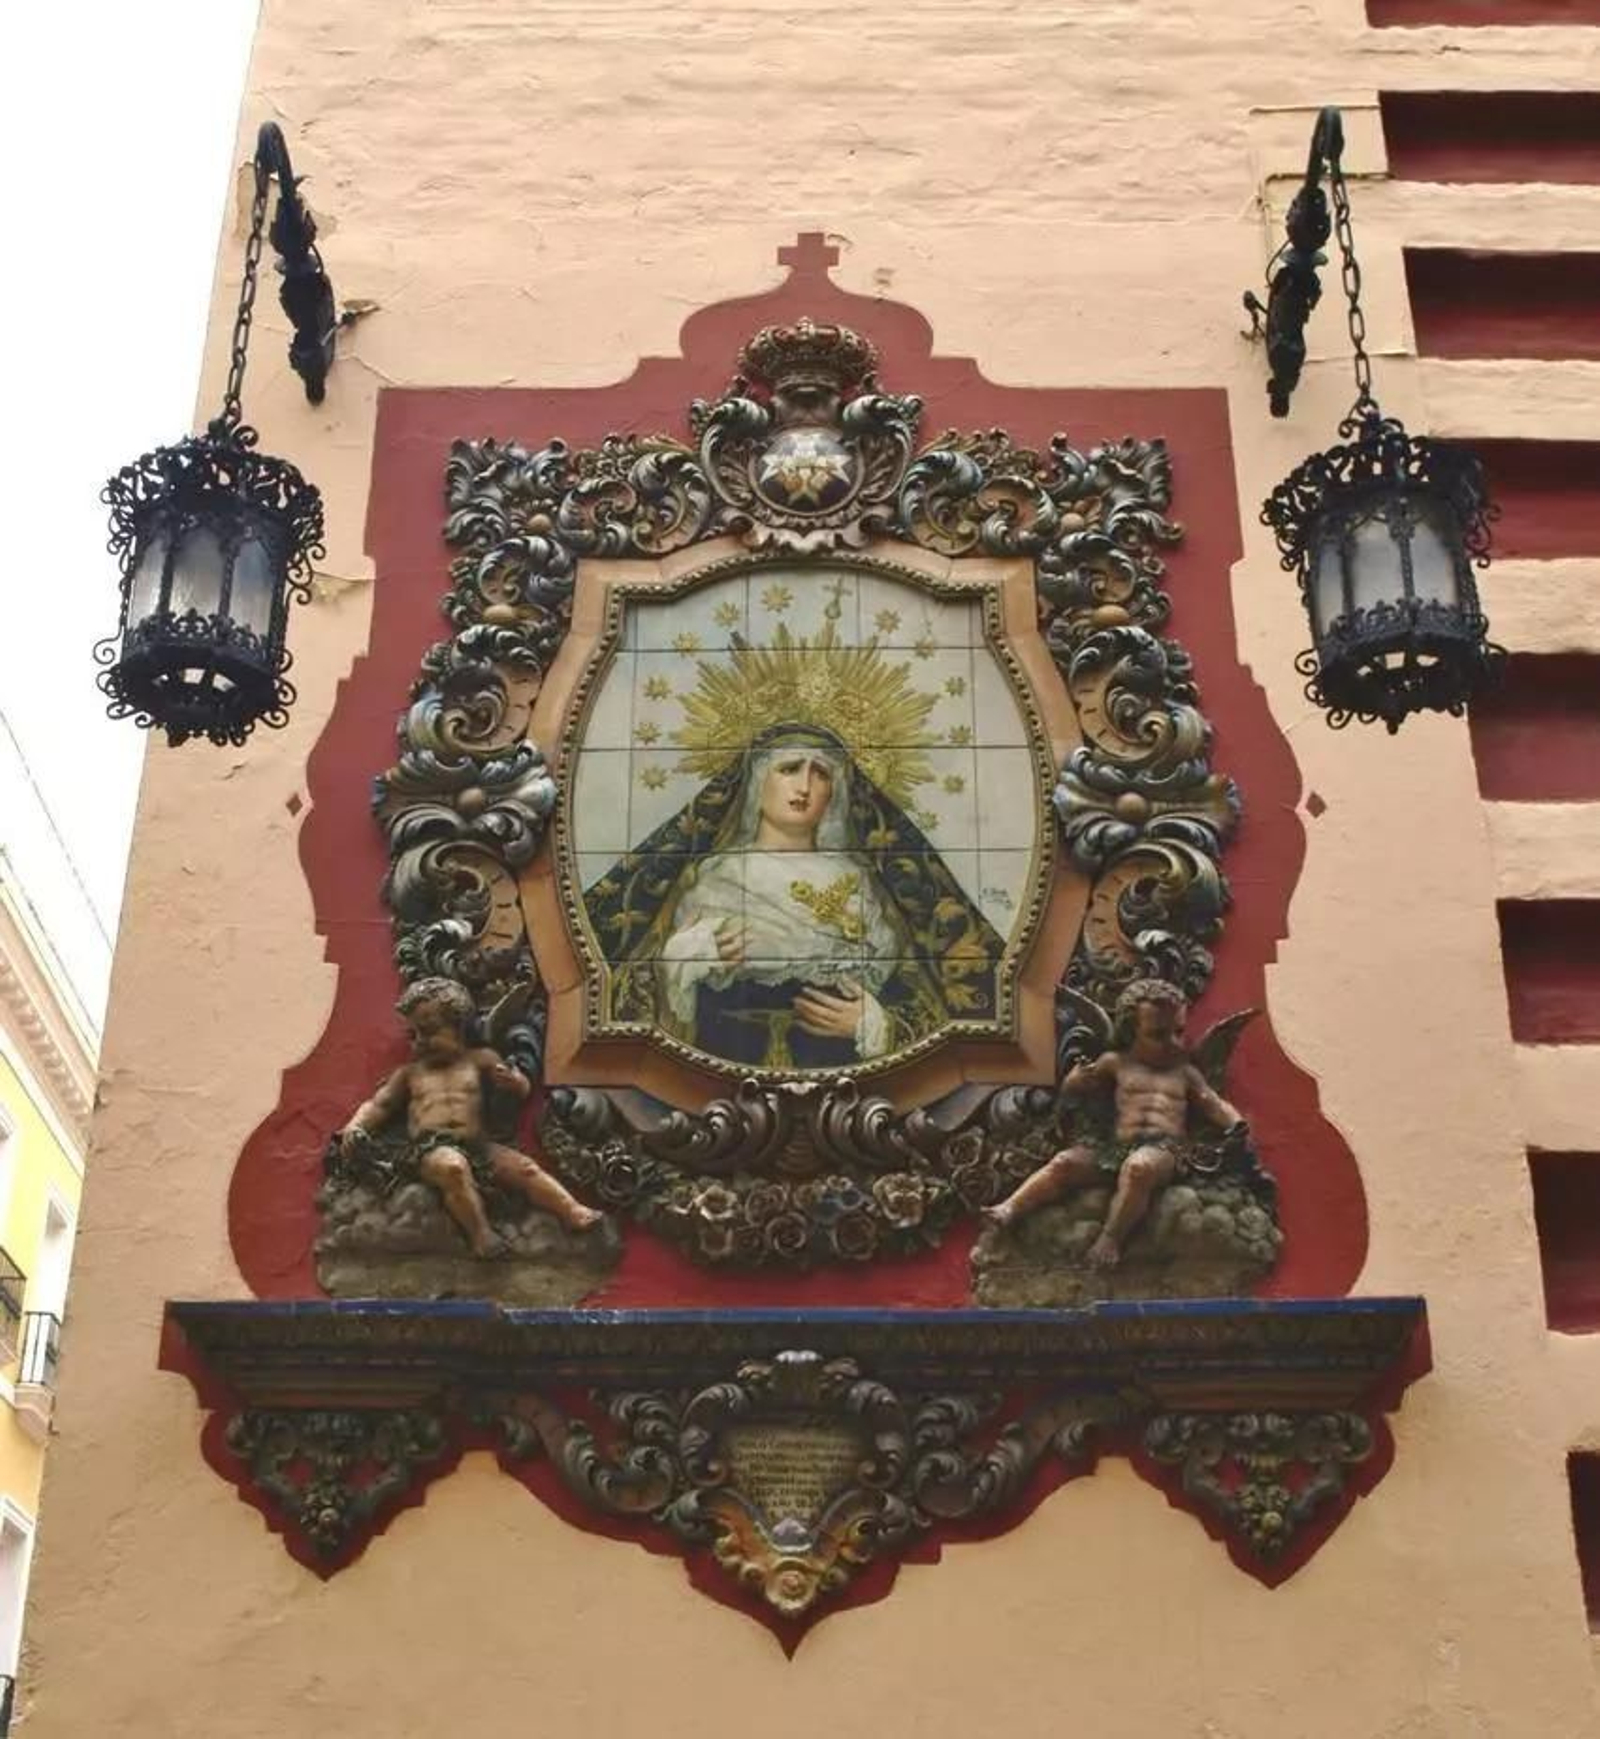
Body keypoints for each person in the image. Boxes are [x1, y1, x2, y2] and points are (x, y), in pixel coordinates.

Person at [585, 723, 1003, 1070]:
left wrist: (876, 1025)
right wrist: (676, 965)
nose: (804, 785)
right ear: (757, 783)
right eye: (789, 768)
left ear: (835, 792)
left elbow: (922, 995)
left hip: (847, 1074)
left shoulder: (865, 882)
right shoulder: (714, 876)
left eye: (821, 774)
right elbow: (634, 1000)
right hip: (725, 1073)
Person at [982, 978, 1246, 1267]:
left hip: (1165, 1150)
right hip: (1114, 1149)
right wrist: (1073, 1082)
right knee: (1064, 1163)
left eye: (1178, 1032)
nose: (1172, 1042)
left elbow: (1212, 1102)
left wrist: (1236, 1124)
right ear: (1131, 1031)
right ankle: (1009, 1209)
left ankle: (1110, 1239)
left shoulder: (1185, 1072)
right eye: (1157, 1034)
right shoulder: (1114, 1063)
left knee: (1139, 1168)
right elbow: (1079, 1094)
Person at [337, 977, 603, 1257]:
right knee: (453, 1168)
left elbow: (521, 1087)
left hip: (478, 1145)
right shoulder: (410, 1074)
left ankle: (572, 1211)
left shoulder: (481, 1060)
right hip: (429, 1149)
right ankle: (481, 1235)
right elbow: (379, 1105)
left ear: (458, 1027)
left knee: (524, 1168)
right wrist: (354, 1127)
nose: (420, 1042)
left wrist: (514, 1080)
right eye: (413, 1035)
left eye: (428, 1032)